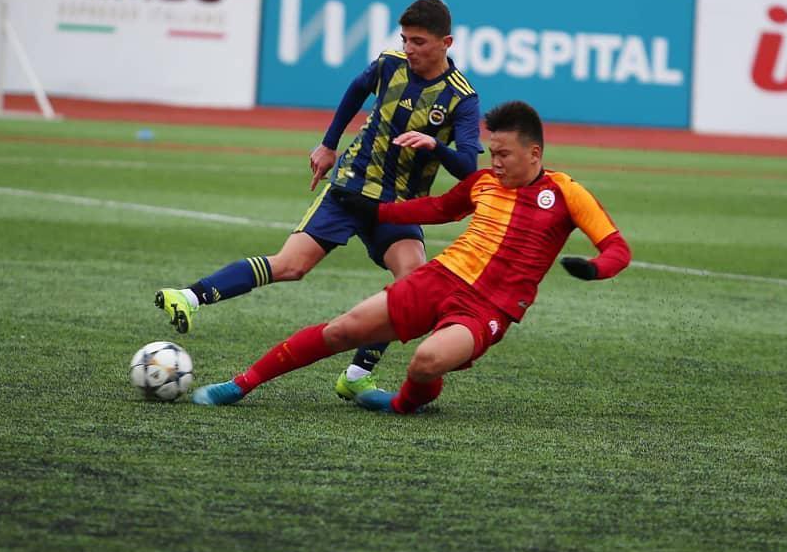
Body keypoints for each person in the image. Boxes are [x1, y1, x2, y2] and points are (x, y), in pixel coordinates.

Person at [188, 100, 631, 414]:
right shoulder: (482, 184)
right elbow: (438, 209)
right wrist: (377, 212)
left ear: (534, 153)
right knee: (344, 329)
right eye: (491, 152)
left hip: (487, 309)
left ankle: (403, 405)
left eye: (503, 155)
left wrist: (594, 270)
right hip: (439, 278)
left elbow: (617, 249)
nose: (493, 162)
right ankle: (240, 384)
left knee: (427, 361)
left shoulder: (566, 192)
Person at [155, 0, 482, 400]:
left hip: (398, 204)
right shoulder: (389, 63)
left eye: (419, 42)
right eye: (405, 39)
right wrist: (328, 145)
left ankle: (358, 375)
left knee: (413, 282)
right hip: (349, 187)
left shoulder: (461, 97)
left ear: (446, 43)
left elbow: (468, 166)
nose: (409, 49)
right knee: (291, 265)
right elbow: (356, 89)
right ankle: (186, 296)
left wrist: (434, 145)